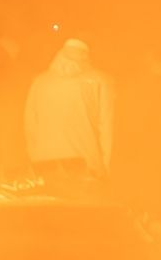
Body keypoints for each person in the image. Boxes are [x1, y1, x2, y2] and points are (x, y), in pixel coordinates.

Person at [24, 37, 114, 197]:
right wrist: (105, 168)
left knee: (52, 216)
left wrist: (35, 160)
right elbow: (107, 128)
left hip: (44, 166)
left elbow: (30, 126)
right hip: (86, 167)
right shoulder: (100, 80)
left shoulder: (40, 81)